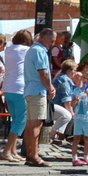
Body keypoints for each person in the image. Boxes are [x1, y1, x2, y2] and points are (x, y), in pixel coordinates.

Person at [21, 27, 55, 167]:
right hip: (38, 91)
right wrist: (50, 87)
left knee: (30, 125)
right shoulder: (40, 51)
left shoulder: (32, 50)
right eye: (51, 40)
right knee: (36, 125)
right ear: (45, 38)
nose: (52, 44)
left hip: (30, 90)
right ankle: (34, 156)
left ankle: (30, 155)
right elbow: (43, 73)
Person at [0, 29, 30, 162]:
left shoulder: (8, 49)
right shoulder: (26, 50)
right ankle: (6, 151)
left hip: (8, 87)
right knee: (20, 121)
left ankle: (13, 150)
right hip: (20, 88)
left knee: (14, 119)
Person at [68, 59, 88, 165]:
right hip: (78, 117)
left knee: (87, 138)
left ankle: (86, 157)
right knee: (76, 138)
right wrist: (76, 100)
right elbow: (72, 104)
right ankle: (74, 158)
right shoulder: (77, 90)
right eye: (84, 78)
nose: (85, 80)